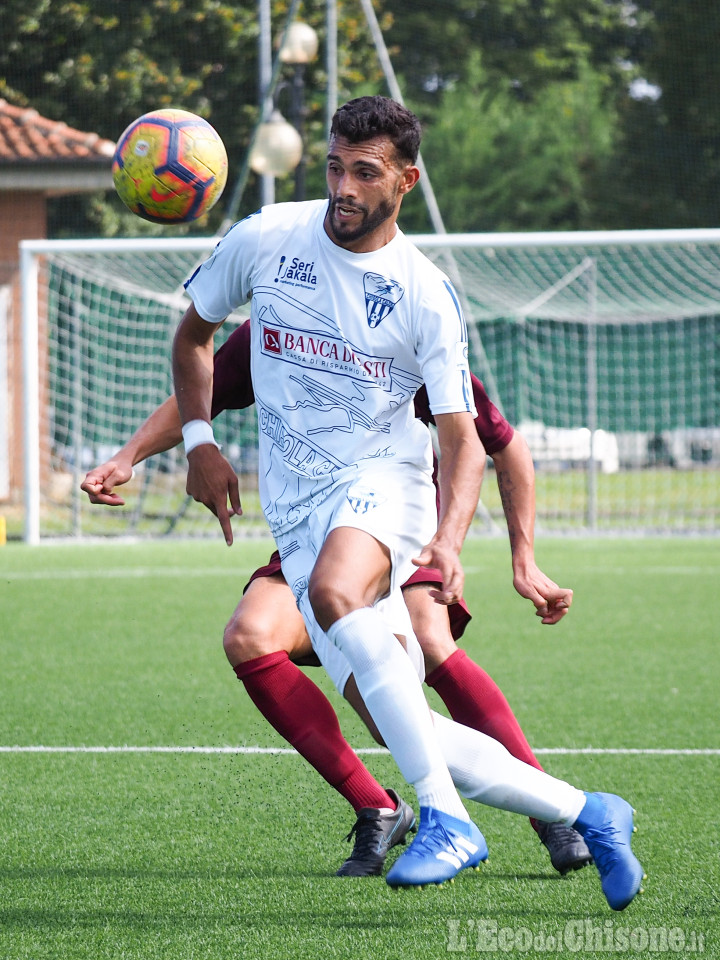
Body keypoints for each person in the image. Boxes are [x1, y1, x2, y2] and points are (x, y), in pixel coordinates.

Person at [150, 96, 642, 903]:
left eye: (365, 172)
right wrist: (198, 445)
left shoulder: (423, 294)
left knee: (342, 594)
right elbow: (192, 338)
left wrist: (451, 542)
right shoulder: (267, 239)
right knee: (407, 726)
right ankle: (586, 809)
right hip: (299, 510)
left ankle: (444, 819)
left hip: (390, 486)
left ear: (405, 181)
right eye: (335, 166)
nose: (343, 186)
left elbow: (466, 441)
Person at [81, 320, 591, 879]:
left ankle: (551, 812)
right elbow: (199, 391)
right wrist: (129, 454)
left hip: (400, 528)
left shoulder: (398, 324)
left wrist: (524, 559)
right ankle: (378, 806)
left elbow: (502, 444)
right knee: (249, 637)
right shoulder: (272, 321)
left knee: (428, 638)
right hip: (314, 533)